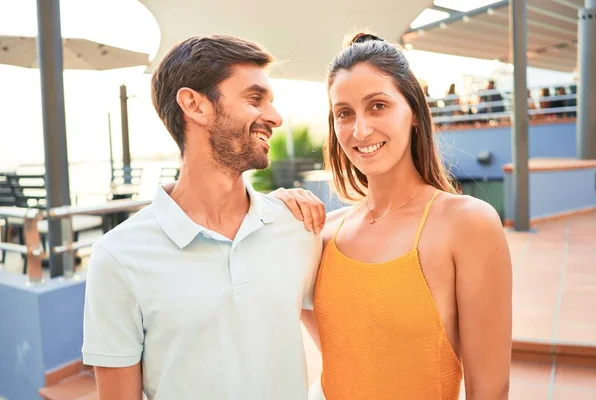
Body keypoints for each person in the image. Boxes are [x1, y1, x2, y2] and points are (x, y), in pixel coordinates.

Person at [81, 34, 326, 400]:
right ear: (194, 105)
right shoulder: (118, 256)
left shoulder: (297, 228)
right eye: (255, 99)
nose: (274, 117)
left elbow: (341, 348)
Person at [302, 32, 513, 400]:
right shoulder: (323, 235)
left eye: (378, 105)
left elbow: (491, 390)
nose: (360, 129)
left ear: (413, 111)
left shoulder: (466, 224)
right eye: (344, 113)